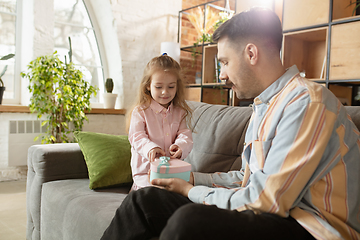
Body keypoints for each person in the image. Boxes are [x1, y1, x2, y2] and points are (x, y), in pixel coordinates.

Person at [102, 7, 360, 240]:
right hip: (275, 214)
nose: (222, 74)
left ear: (251, 53)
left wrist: (191, 191)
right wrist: (192, 178)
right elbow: (246, 180)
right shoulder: (262, 107)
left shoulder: (306, 104)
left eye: (224, 62)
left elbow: (266, 200)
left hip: (312, 227)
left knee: (189, 221)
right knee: (144, 200)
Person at [127, 54, 193, 190]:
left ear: (177, 87)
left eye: (171, 87)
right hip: (145, 176)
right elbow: (136, 137)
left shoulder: (180, 112)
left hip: (172, 174)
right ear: (148, 86)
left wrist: (180, 146)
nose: (165, 92)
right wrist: (150, 148)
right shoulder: (140, 111)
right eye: (158, 87)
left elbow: (185, 135)